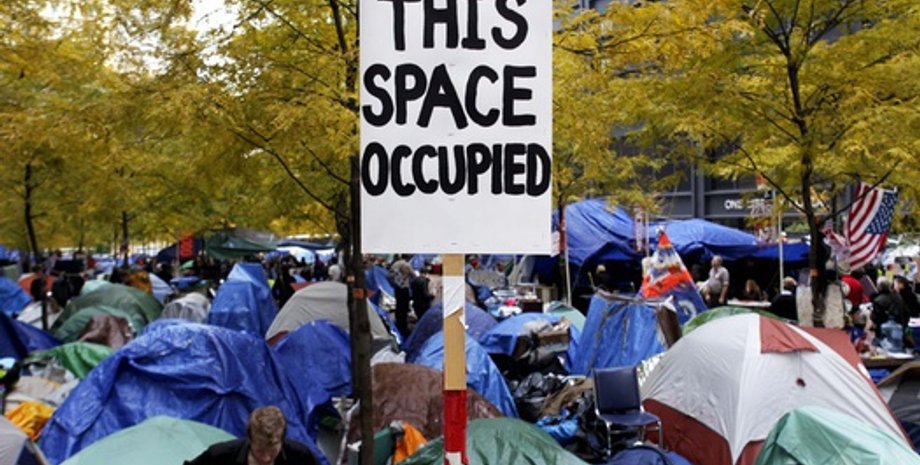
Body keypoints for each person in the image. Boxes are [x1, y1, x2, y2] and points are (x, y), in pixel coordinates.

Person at [184, 406, 320, 465]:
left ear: (282, 440)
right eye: (259, 450)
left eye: (273, 450)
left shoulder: (300, 456)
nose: (266, 458)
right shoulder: (221, 455)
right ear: (250, 438)